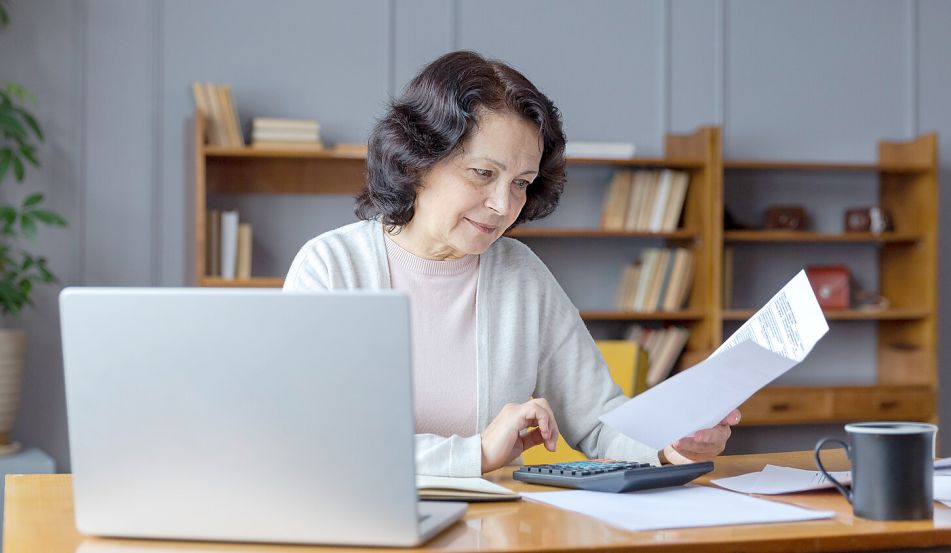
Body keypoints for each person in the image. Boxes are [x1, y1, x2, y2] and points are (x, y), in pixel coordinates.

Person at [283, 50, 739, 476]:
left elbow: (598, 423)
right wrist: (476, 454)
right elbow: (319, 443)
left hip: (493, 532)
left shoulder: (521, 274)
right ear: (417, 162)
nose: (504, 205)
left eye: (521, 182)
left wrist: (671, 447)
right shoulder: (331, 268)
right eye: (483, 173)